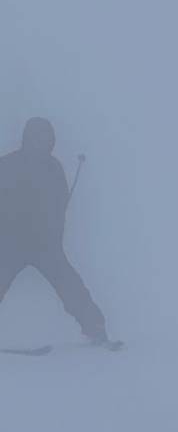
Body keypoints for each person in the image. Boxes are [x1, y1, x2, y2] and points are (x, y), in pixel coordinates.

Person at [0, 117, 117, 348]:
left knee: (68, 283)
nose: (40, 142)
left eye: (44, 138)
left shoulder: (54, 168)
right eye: (36, 137)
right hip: (10, 242)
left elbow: (59, 205)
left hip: (44, 244)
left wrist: (54, 237)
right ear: (27, 138)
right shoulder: (8, 164)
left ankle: (94, 327)